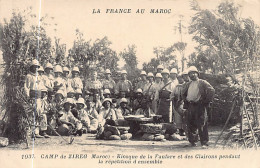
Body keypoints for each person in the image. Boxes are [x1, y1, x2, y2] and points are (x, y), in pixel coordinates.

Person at [182, 66, 215, 148]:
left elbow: (211, 90)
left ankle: (204, 143)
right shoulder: (188, 84)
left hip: (199, 106)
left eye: (194, 73)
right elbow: (183, 93)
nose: (192, 75)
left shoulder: (202, 82)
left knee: (201, 124)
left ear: (197, 74)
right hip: (190, 105)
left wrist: (206, 101)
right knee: (190, 124)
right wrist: (185, 100)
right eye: (190, 74)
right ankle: (192, 142)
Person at [24, 59, 44, 138]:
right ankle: (30, 132)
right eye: (34, 67)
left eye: (37, 67)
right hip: (32, 97)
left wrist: (42, 96)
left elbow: (42, 87)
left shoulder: (39, 76)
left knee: (38, 113)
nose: (36, 68)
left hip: (39, 97)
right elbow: (26, 87)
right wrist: (28, 96)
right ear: (31, 67)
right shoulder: (29, 76)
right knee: (32, 114)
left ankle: (36, 132)